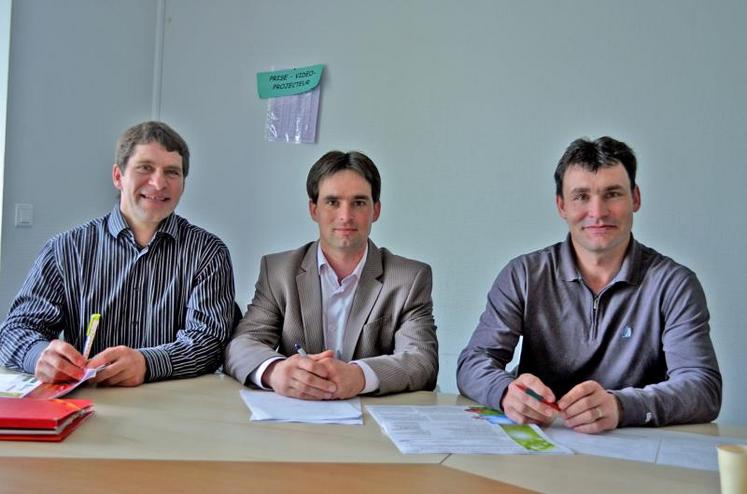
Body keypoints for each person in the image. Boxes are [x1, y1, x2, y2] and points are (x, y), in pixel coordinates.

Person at [457, 136, 721, 433]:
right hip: (543, 441)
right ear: (561, 205)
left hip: (634, 447)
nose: (598, 212)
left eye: (612, 194)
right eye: (581, 196)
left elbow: (703, 388)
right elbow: (473, 362)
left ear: (635, 198)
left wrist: (621, 407)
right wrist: (505, 393)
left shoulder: (675, 284)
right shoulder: (523, 274)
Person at [0, 121, 235, 387]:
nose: (158, 183)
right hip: (89, 403)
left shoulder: (208, 253)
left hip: (173, 407)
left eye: (172, 172)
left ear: (183, 184)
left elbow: (211, 342)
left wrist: (148, 363)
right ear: (118, 176)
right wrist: (39, 356)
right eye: (145, 168)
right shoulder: (66, 250)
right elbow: (15, 330)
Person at [224, 150, 438, 400]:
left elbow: (422, 360)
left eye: (358, 203)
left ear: (376, 210)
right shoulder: (278, 271)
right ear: (314, 209)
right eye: (332, 202)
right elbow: (242, 344)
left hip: (371, 423)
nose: (345, 216)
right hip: (295, 419)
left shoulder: (409, 278)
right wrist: (276, 371)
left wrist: (359, 376)